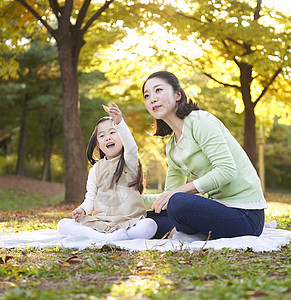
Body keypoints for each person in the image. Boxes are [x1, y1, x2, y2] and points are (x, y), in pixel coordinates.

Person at [142, 71, 268, 241]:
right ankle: (189, 234)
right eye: (147, 95)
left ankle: (187, 234)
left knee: (178, 203)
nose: (152, 99)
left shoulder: (200, 121)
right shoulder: (172, 147)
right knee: (150, 217)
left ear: (177, 95)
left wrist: (177, 194)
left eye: (158, 90)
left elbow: (227, 171)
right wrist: (131, 201)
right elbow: (168, 196)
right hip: (217, 211)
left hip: (245, 215)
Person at [57, 103, 157, 241]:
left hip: (129, 222)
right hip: (101, 222)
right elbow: (90, 198)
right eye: (102, 135)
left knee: (149, 225)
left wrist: (119, 122)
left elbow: (132, 147)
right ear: (98, 143)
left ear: (121, 137)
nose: (108, 137)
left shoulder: (129, 162)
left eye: (112, 132)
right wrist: (82, 210)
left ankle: (109, 237)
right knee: (63, 225)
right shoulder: (96, 170)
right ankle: (105, 237)